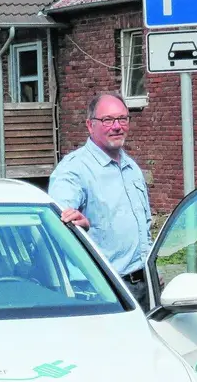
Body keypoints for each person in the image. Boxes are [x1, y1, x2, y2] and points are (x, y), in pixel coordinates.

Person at [48, 92, 153, 305]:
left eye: (122, 119)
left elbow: (145, 227)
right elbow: (58, 221)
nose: (117, 126)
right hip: (102, 290)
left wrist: (151, 269)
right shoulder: (74, 170)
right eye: (107, 120)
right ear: (90, 125)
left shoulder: (131, 167)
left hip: (144, 285)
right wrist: (77, 224)